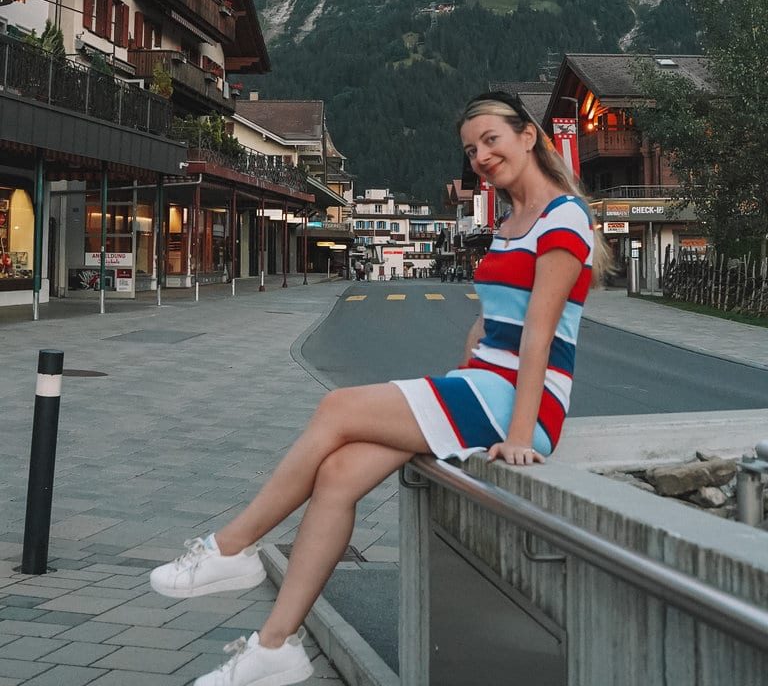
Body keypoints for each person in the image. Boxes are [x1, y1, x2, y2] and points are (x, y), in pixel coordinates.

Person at [149, 90, 608, 686]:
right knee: (338, 476)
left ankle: (232, 548)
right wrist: (468, 354)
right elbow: (496, 318)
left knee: (337, 407)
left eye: (491, 140)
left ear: (528, 136)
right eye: (471, 150)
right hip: (484, 383)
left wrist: (522, 438)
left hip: (523, 396)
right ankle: (275, 649)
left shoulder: (564, 217)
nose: (481, 157)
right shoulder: (510, 223)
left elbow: (539, 337)